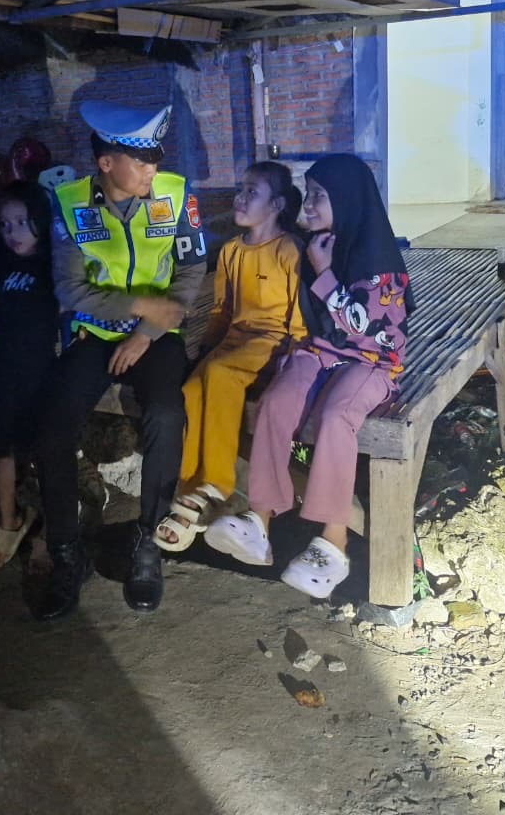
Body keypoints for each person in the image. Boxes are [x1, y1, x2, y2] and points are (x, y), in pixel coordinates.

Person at [206, 154, 414, 600]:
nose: (310, 205)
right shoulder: (316, 244)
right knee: (277, 402)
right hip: (320, 352)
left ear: (346, 199)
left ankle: (333, 544)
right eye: (309, 194)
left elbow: (368, 328)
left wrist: (324, 273)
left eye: (320, 195)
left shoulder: (379, 259)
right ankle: (259, 522)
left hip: (372, 361)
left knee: (336, 417)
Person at [33, 99, 207, 620]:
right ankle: (67, 551)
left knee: (166, 414)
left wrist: (147, 331)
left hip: (159, 337)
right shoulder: (69, 204)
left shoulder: (176, 195)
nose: (154, 168)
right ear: (107, 163)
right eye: (142, 159)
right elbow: (71, 291)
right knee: (52, 425)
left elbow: (190, 273)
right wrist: (136, 307)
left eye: (156, 157)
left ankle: (147, 542)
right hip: (95, 335)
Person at [153, 161, 307, 551]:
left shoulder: (289, 249)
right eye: (241, 189)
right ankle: (189, 489)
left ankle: (217, 485)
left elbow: (299, 316)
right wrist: (205, 349)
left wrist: (294, 358)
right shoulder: (232, 251)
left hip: (272, 341)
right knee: (192, 386)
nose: (240, 197)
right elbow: (222, 311)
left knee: (220, 374)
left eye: (252, 191)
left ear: (276, 205)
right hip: (235, 341)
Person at [0, 180, 59, 569]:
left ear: (40, 219)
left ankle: (52, 527)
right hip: (1, 365)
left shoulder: (54, 264)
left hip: (38, 369)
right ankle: (9, 520)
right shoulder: (1, 261)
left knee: (43, 447)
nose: (13, 233)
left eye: (22, 222)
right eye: (6, 225)